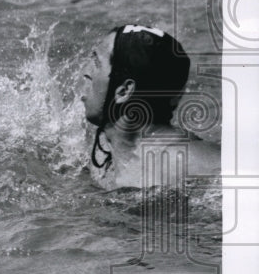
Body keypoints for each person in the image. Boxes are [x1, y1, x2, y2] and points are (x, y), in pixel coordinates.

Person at [79, 24, 220, 189]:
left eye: (96, 63)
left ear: (124, 91)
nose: (85, 72)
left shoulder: (186, 161)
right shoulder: (100, 152)